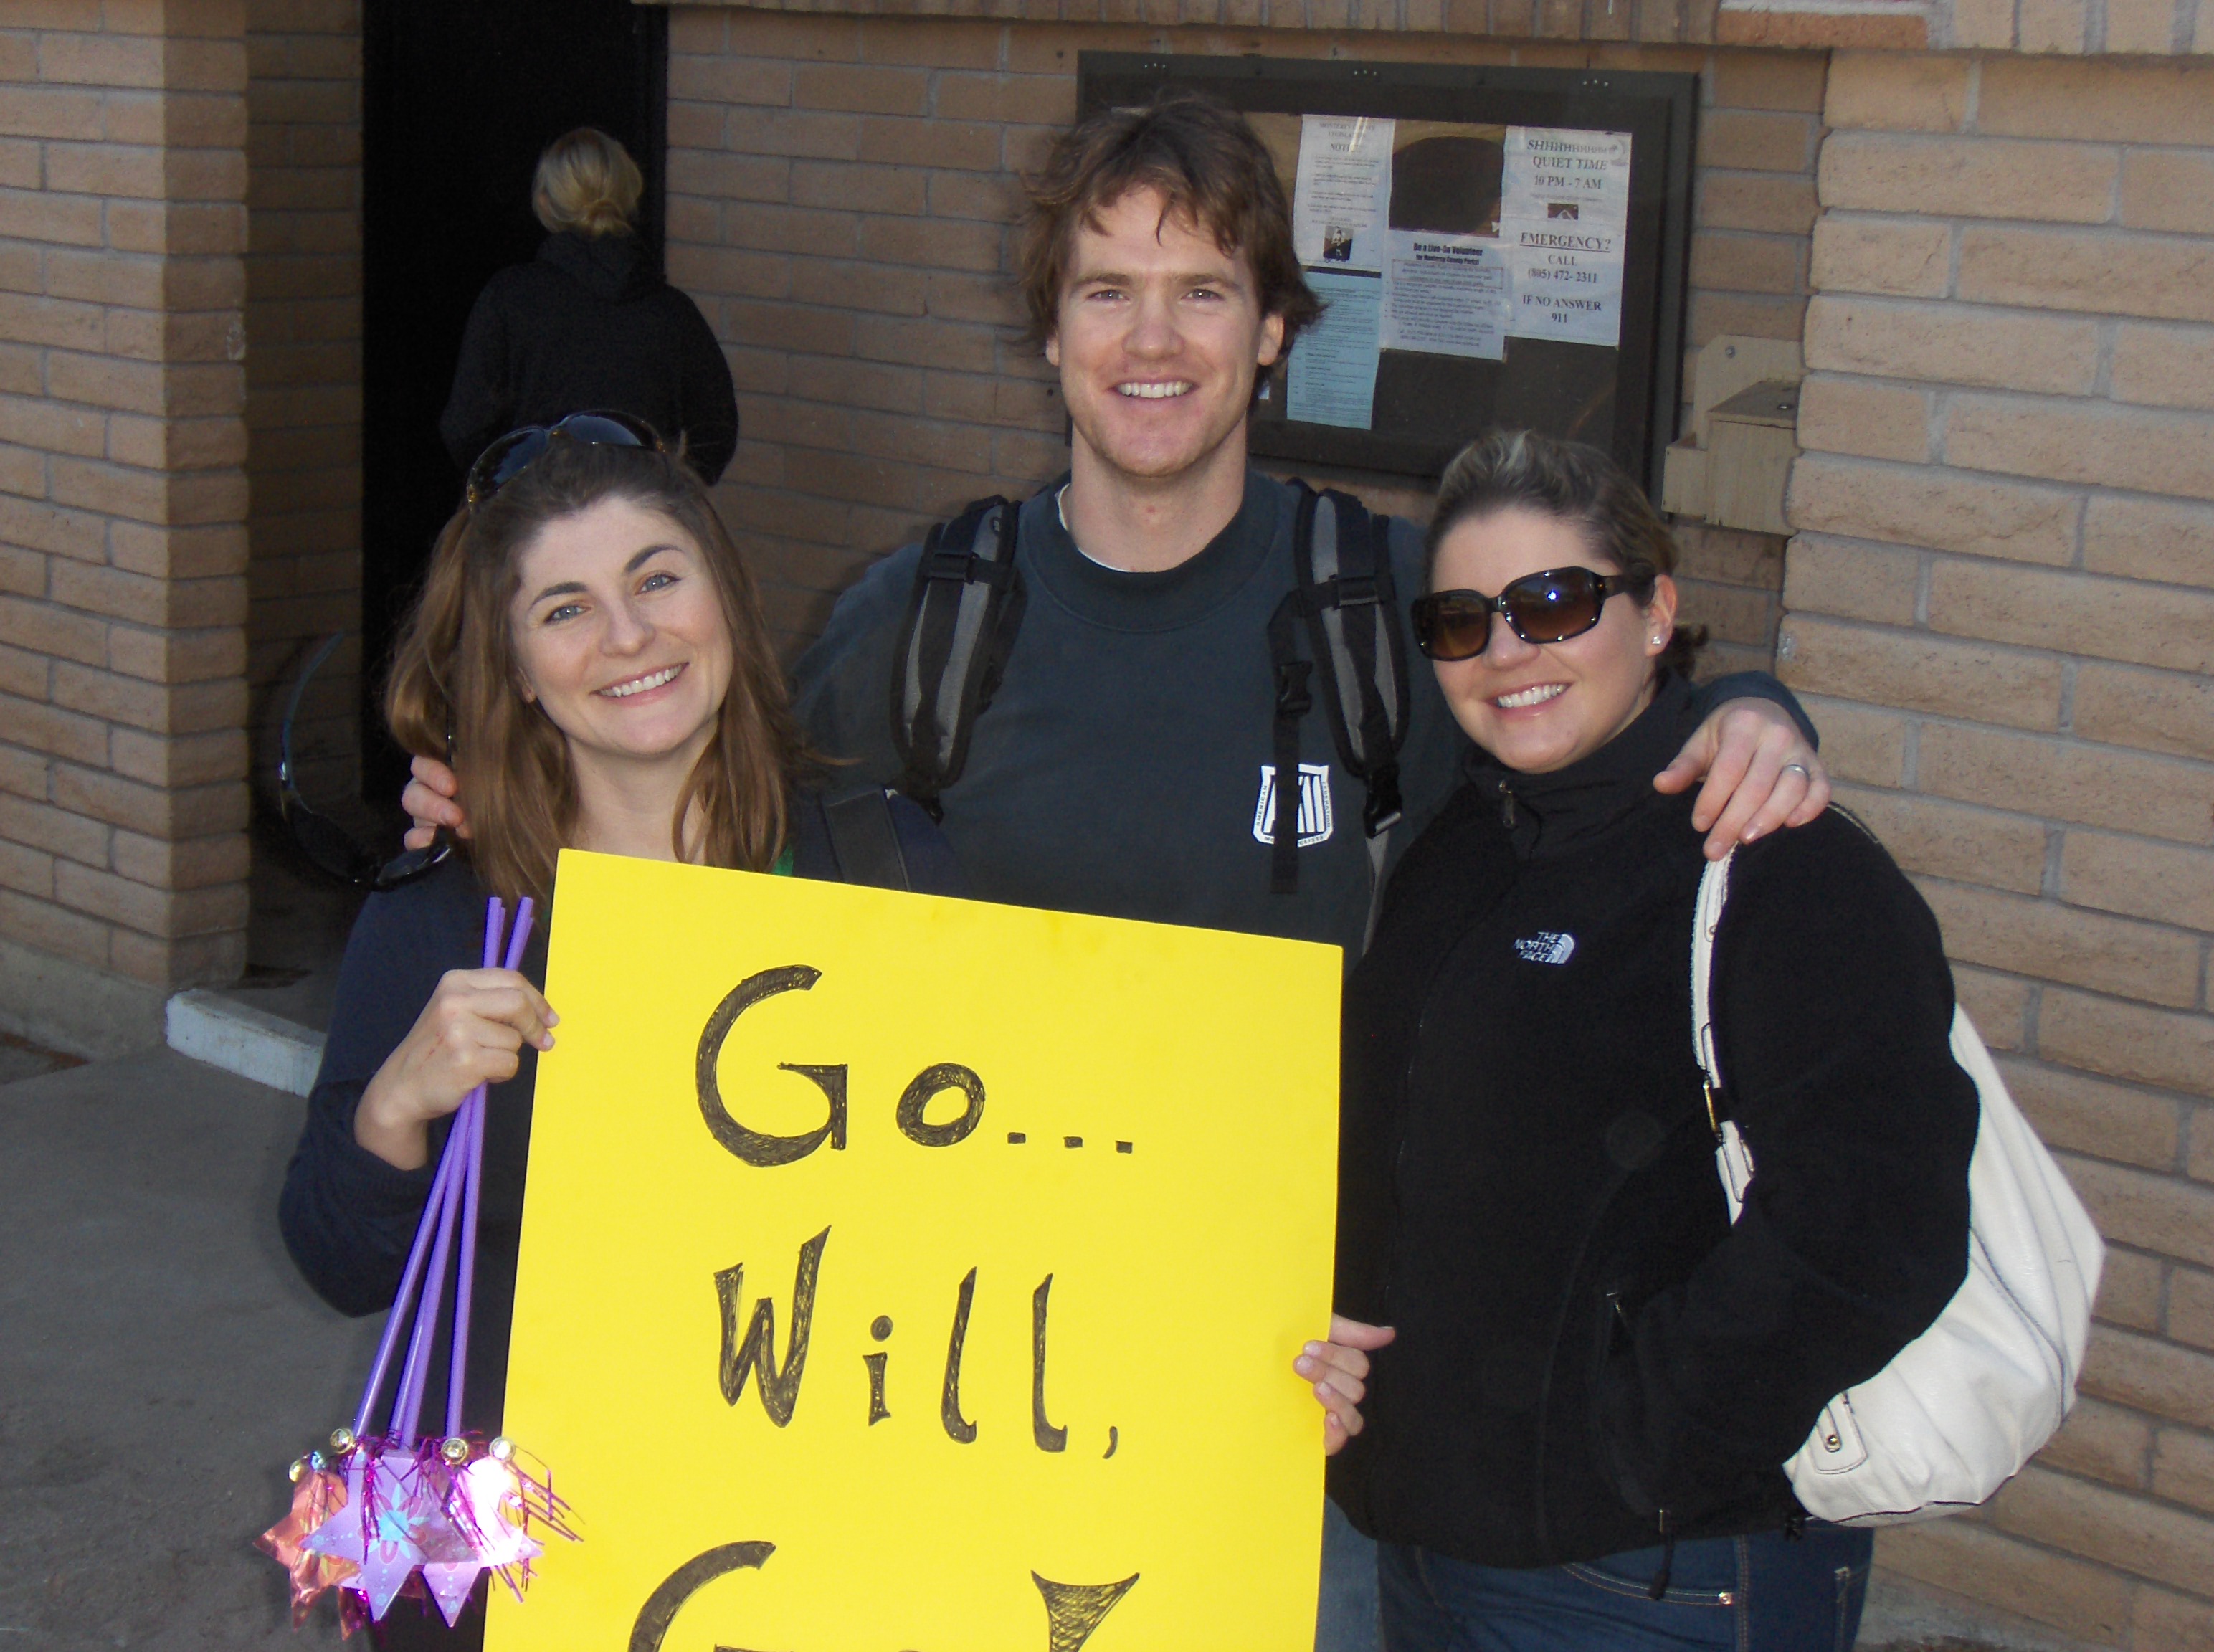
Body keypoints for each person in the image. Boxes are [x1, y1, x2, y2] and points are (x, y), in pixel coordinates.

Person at [399, 95, 1833, 1651]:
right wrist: (494, 785)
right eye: (1106, 289)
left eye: (1202, 288)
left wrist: (1751, 714)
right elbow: (702, 808)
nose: (1153, 339)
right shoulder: (923, 620)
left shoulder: (1375, 608)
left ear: (1270, 331)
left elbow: (1597, 726)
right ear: (1050, 332)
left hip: (1277, 1393)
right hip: (947, 1379)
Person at [279, 418, 958, 1644]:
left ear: (725, 599)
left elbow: (1014, 1212)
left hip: (808, 1504)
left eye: (656, 579)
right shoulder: (447, 914)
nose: (629, 635)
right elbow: (341, 1265)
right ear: (519, 671)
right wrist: (397, 1105)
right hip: (512, 1531)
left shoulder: (884, 867)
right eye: (565, 609)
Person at [1312, 431, 1977, 1650]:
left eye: (1554, 603)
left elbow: (1877, 1222)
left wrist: (1635, 1440)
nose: (1507, 651)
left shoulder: (1774, 866)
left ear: (1656, 611)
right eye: (1461, 621)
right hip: (1421, 1543)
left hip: (1654, 1569)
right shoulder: (1455, 847)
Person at [439, 128, 740, 485]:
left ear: (545, 203)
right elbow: (716, 430)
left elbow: (465, 428)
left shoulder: (509, 299)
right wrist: (669, 492)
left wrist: (510, 485)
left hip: (540, 505)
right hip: (636, 504)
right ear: (629, 195)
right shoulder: (673, 313)